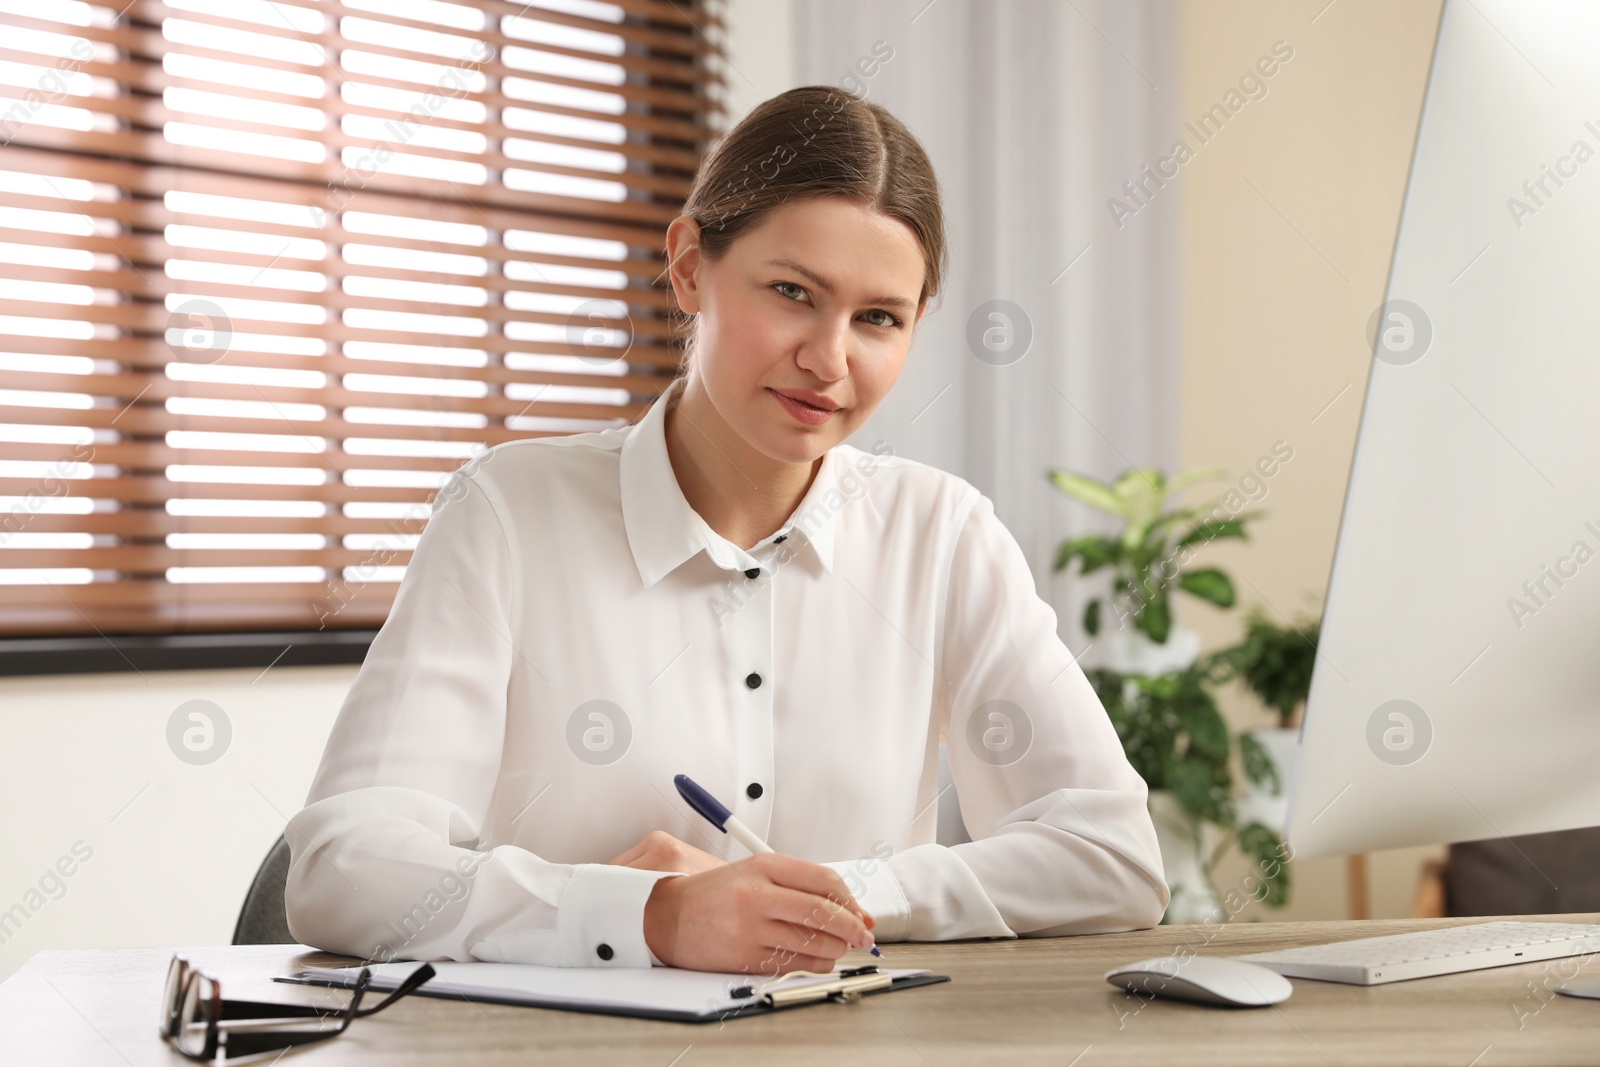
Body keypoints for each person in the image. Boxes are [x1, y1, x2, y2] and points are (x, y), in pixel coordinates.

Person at [284, 84, 1168, 978]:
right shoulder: (507, 512)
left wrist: (826, 898)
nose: (829, 360)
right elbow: (343, 868)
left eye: (878, 319)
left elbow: (1113, 856)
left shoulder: (941, 532)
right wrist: (653, 915)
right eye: (793, 292)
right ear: (689, 267)